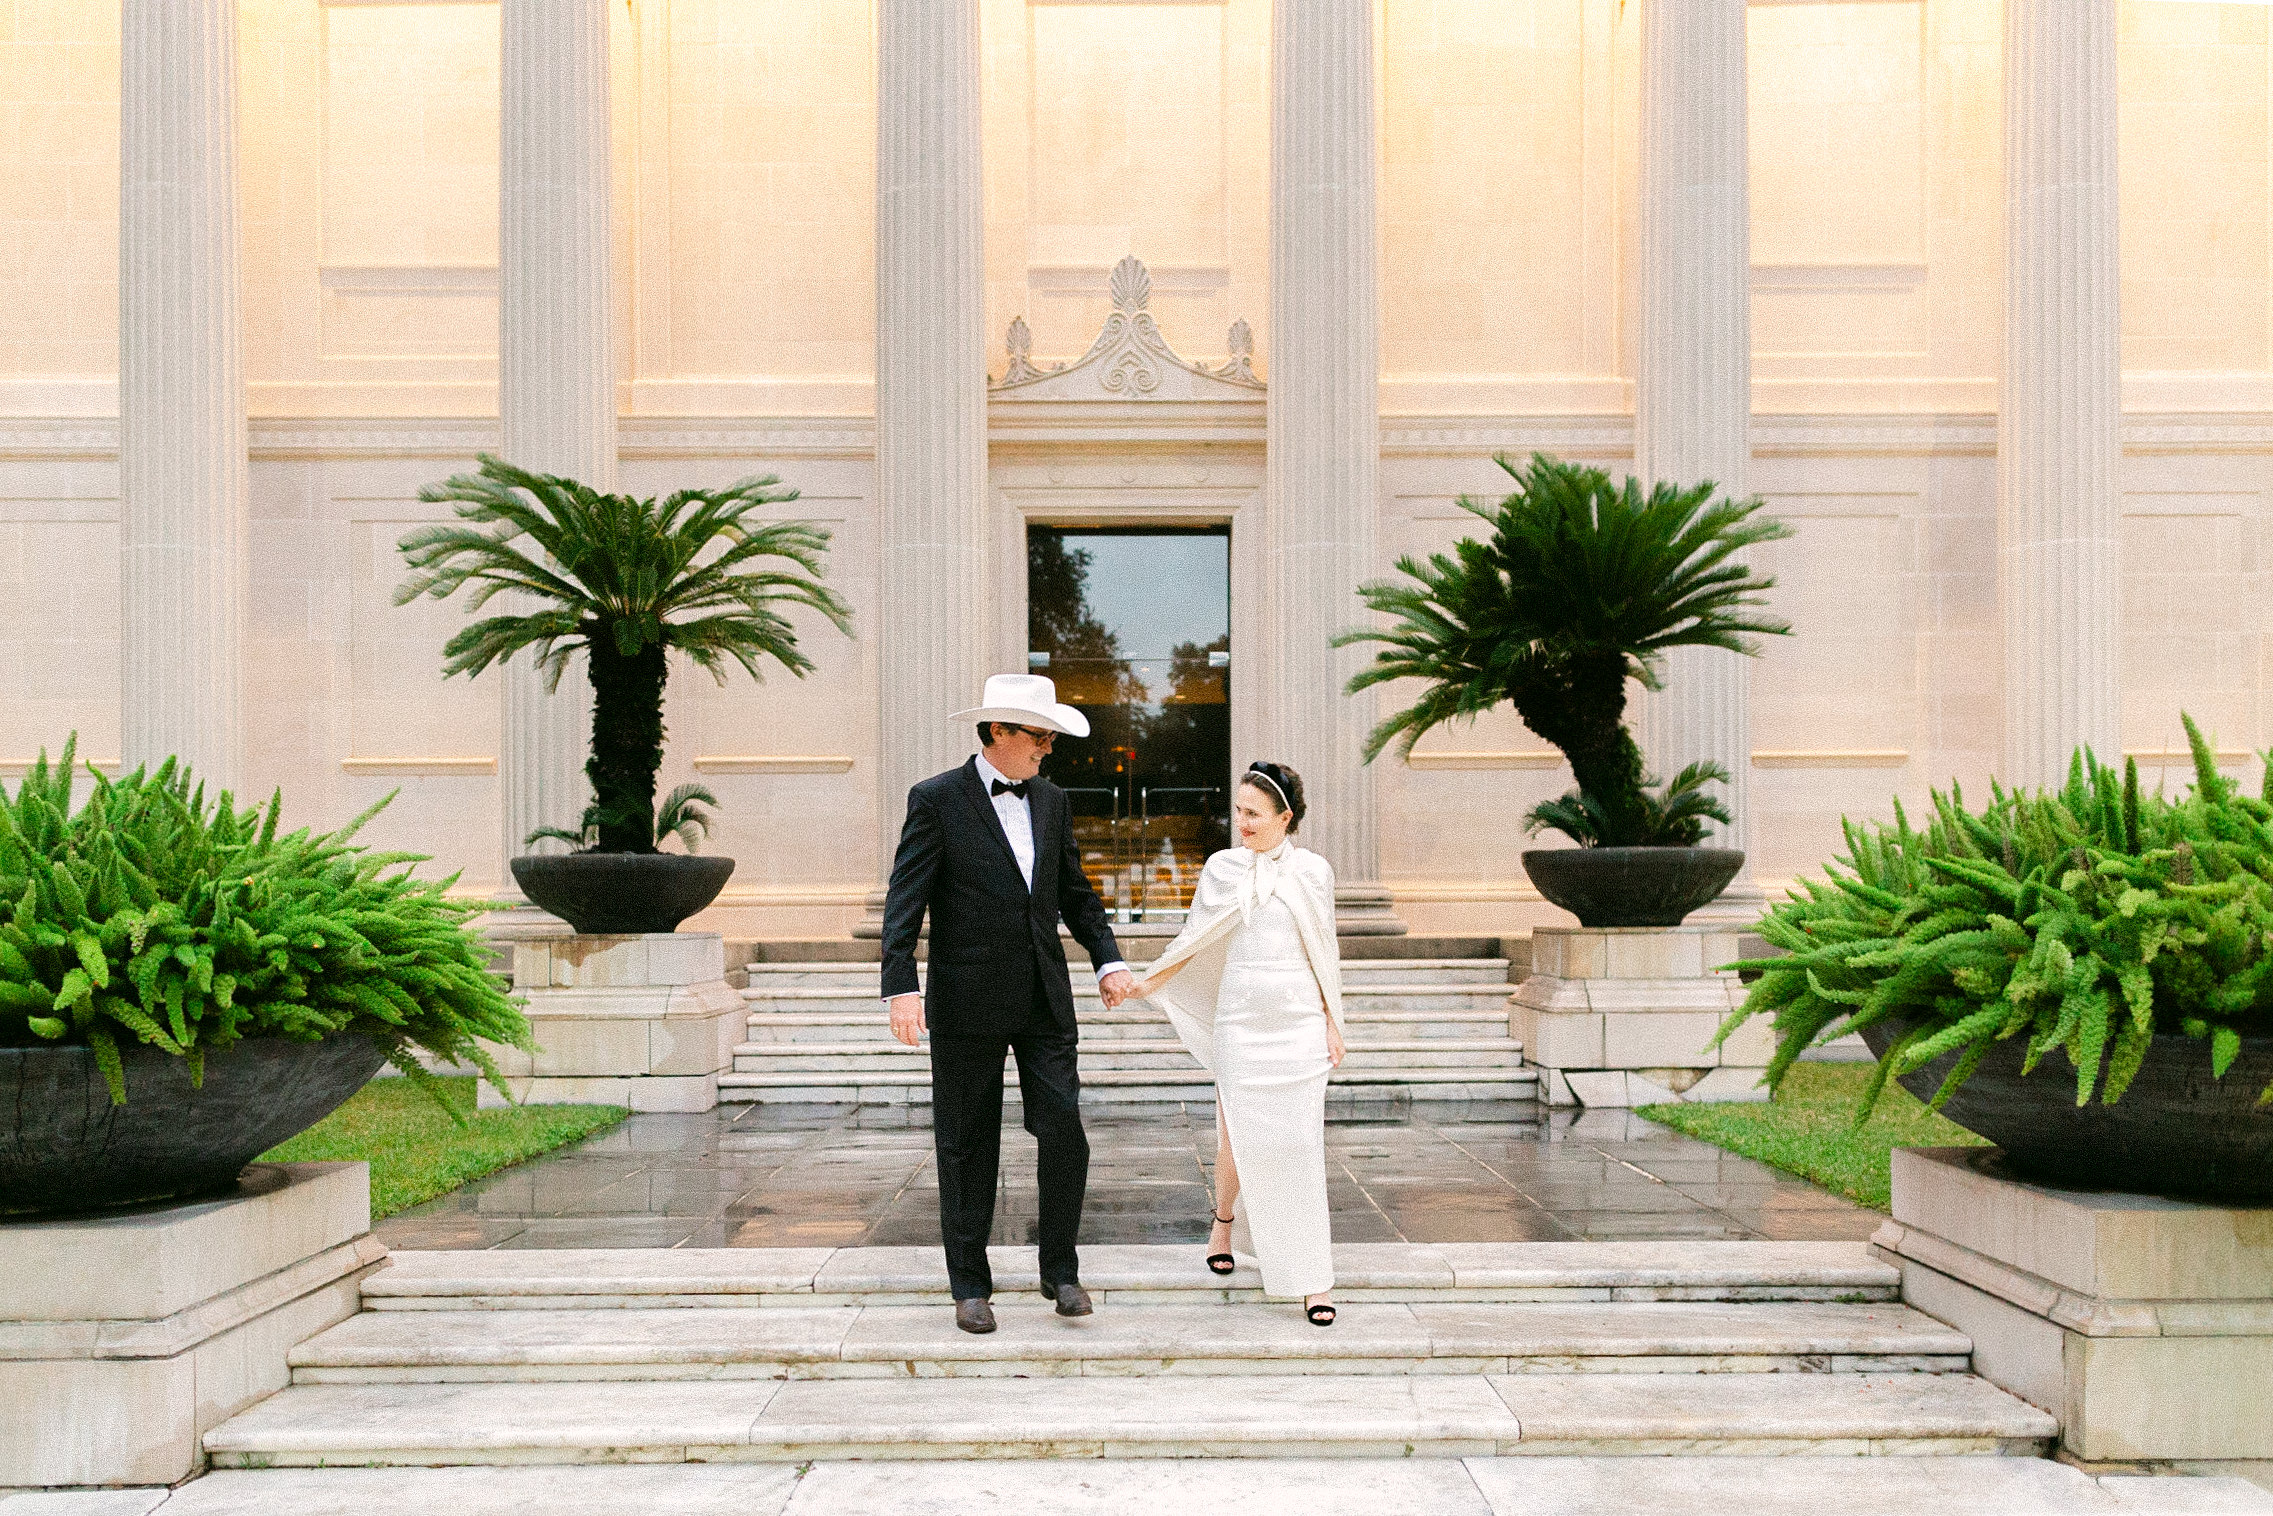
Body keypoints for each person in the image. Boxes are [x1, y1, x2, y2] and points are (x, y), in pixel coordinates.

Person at [881, 674, 1140, 1335]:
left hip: (1044, 999)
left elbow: (1075, 893)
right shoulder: (936, 799)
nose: (1047, 748)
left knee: (1064, 1131)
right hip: (966, 998)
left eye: (1051, 736)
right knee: (966, 1143)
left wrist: (1106, 958)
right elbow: (904, 898)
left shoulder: (1052, 801)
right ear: (998, 731)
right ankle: (969, 1284)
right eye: (1039, 735)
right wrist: (902, 985)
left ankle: (1061, 1271)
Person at [1134, 761, 1343, 1325]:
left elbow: (1325, 951)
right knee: (1236, 1140)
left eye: (1252, 813)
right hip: (1240, 1025)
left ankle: (1311, 1279)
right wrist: (1146, 981)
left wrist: (1332, 1021)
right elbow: (1195, 940)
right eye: (1239, 812)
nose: (1241, 823)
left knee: (1300, 1148)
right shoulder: (1222, 868)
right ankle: (1223, 1221)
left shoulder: (1315, 872)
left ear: (1285, 818)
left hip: (1298, 1025)